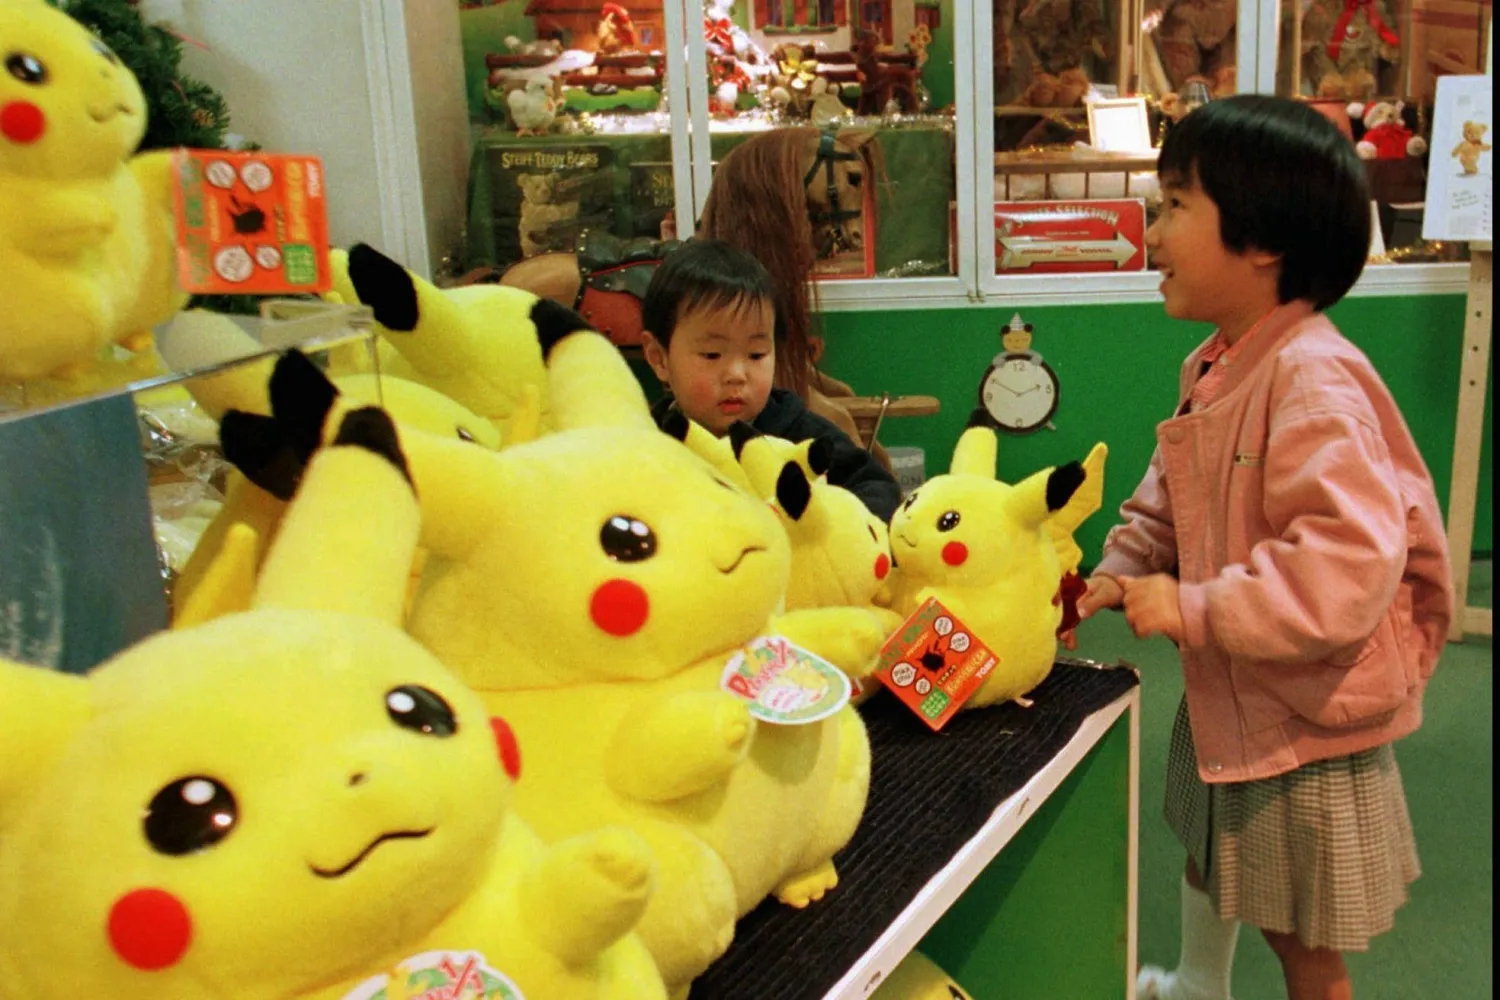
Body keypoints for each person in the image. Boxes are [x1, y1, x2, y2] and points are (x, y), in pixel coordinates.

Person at [1068, 95, 1454, 1000]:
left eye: (1172, 207)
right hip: (1240, 685)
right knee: (1215, 854)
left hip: (1306, 713)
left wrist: (1194, 606)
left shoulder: (1313, 382)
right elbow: (1170, 502)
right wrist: (1117, 574)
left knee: (1299, 936)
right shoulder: (1217, 363)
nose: (1150, 230)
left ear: (1262, 240)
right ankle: (1202, 985)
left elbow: (1344, 573)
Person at [640, 239, 902, 522]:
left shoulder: (797, 430)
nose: (737, 375)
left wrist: (830, 528)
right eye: (712, 354)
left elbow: (877, 487)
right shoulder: (647, 442)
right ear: (658, 358)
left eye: (756, 354)